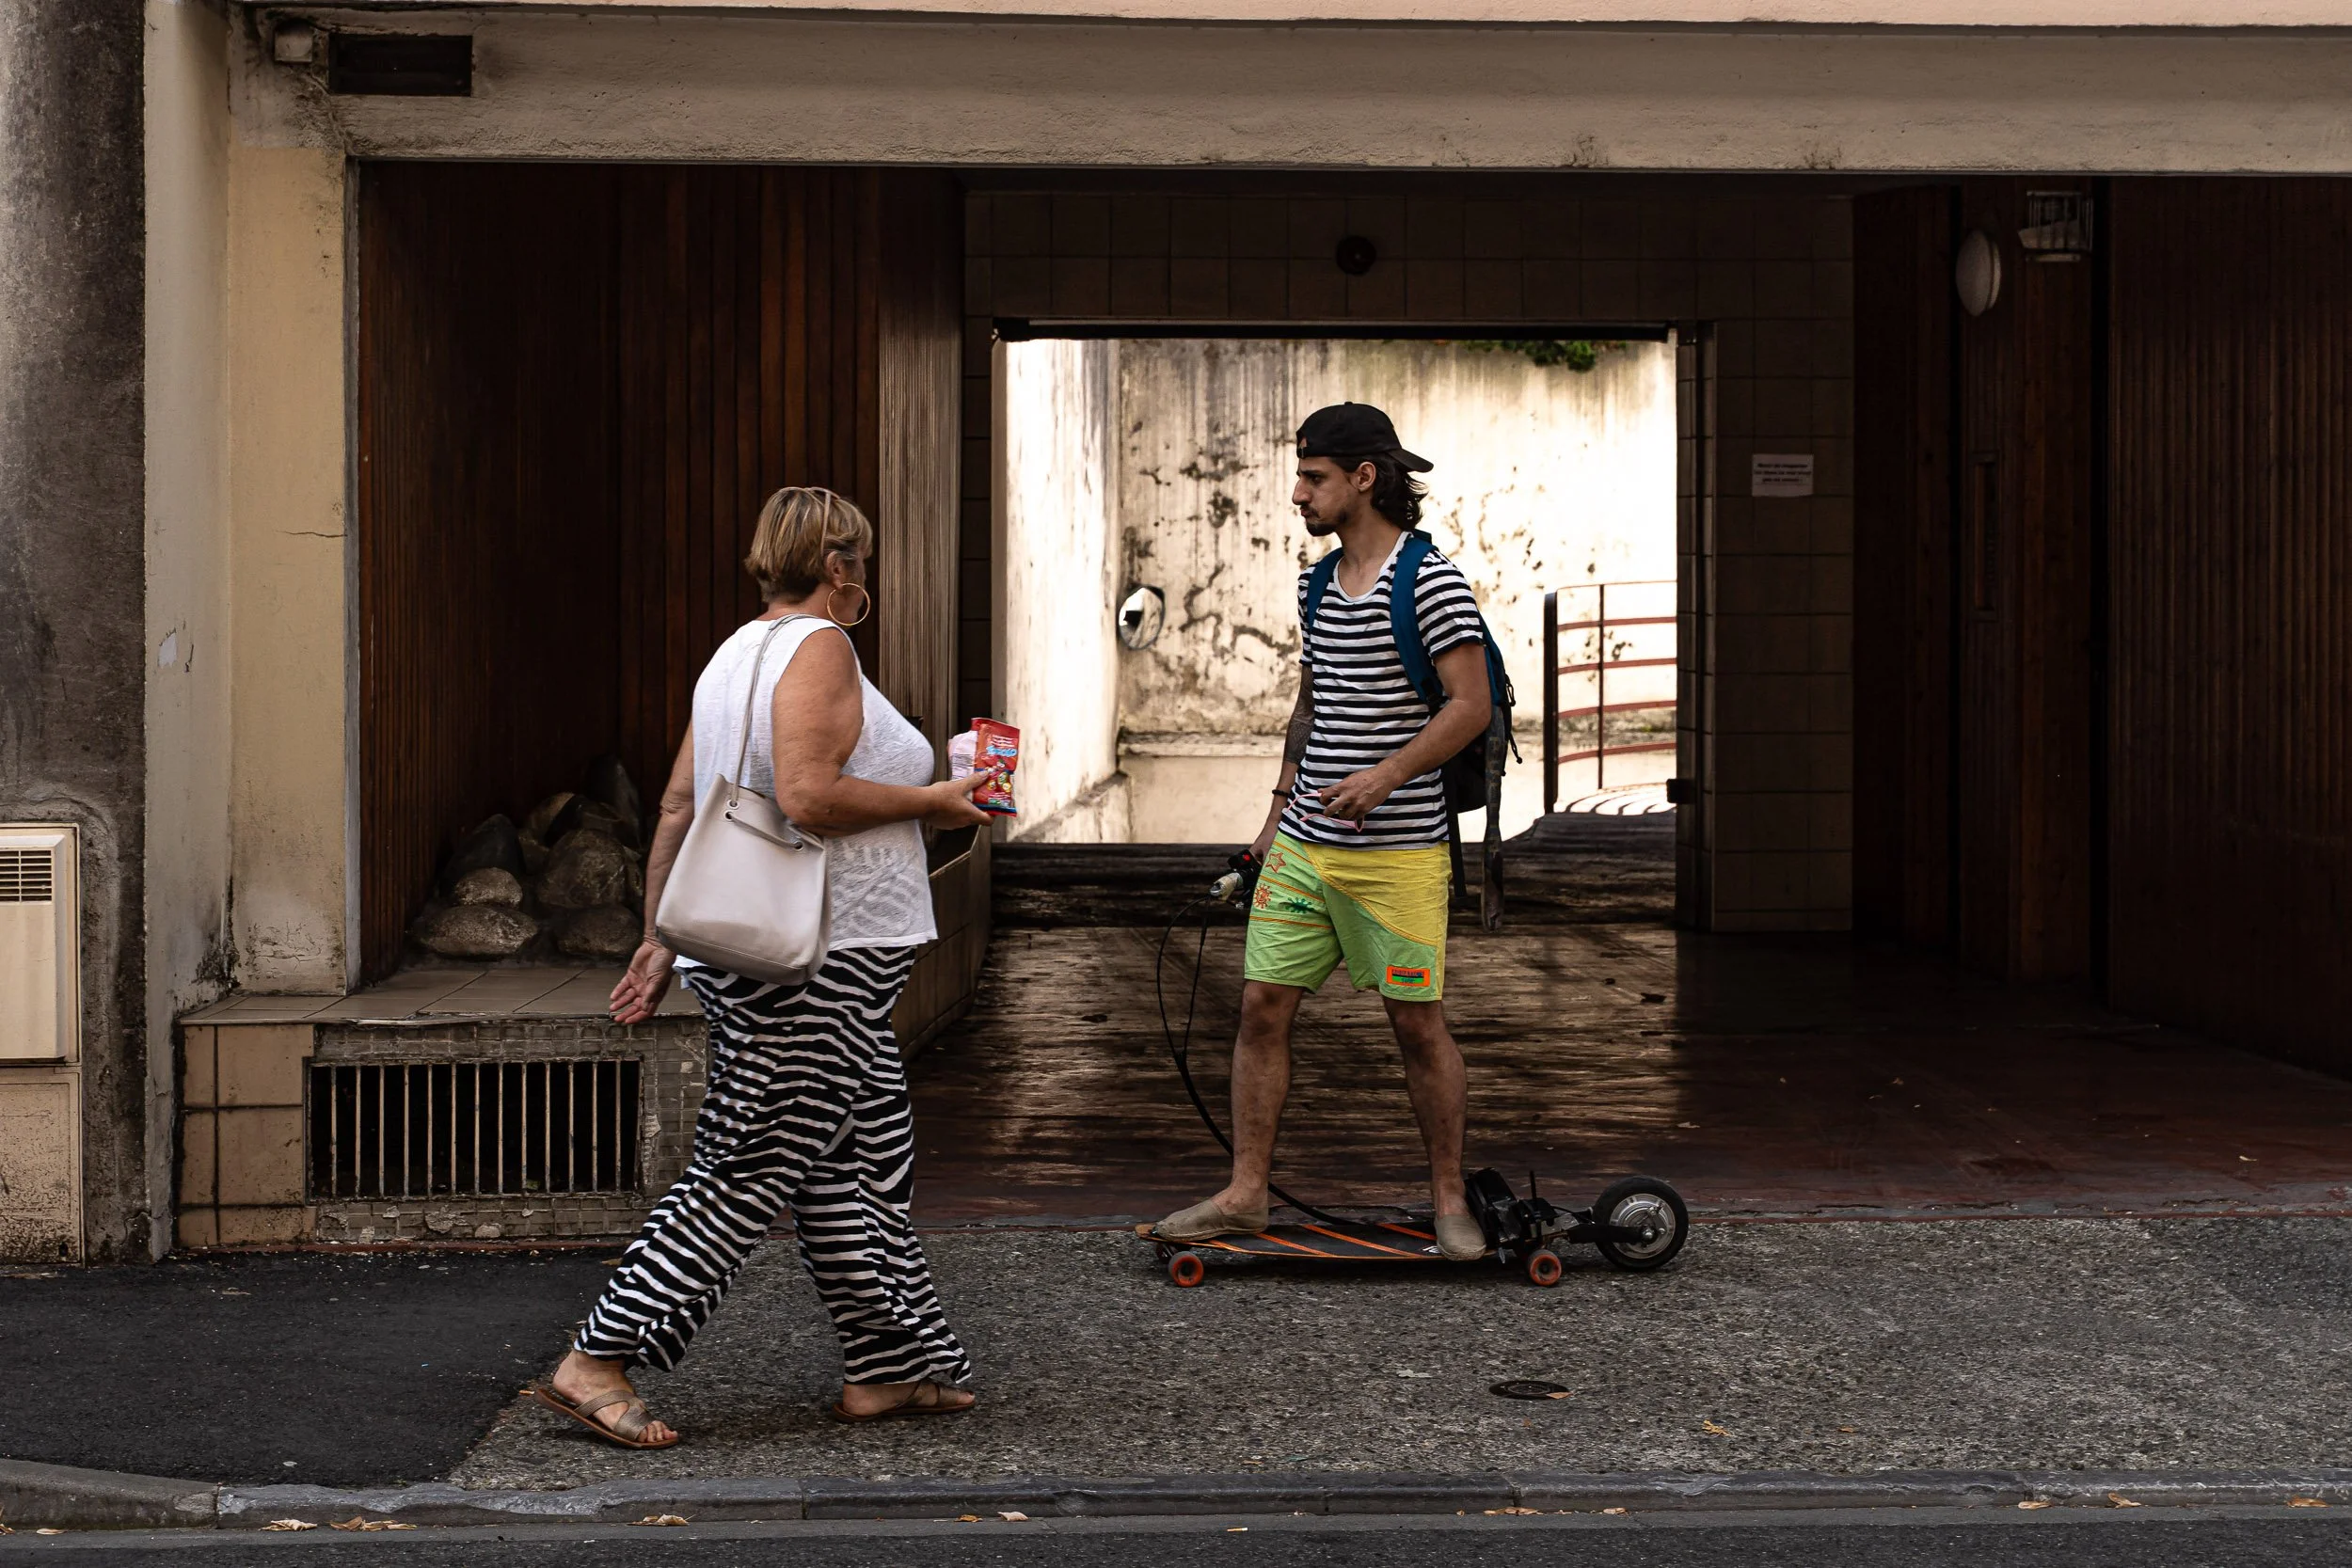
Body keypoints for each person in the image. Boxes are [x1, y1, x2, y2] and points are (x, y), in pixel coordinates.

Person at [527, 487, 996, 1449]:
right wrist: (934, 799)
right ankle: (598, 1357)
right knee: (749, 1159)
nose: (865, 571)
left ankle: (892, 1366)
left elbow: (676, 804)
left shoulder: (734, 653)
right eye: (859, 555)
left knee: (861, 1160)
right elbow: (809, 794)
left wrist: (660, 935)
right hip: (819, 954)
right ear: (837, 565)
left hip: (763, 949)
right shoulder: (822, 646)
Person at [1155, 404, 1493, 1261]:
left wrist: (1385, 776)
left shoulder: (1430, 580)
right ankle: (1246, 1194)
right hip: (1307, 847)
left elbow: (1470, 705)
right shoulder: (1315, 584)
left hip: (1401, 856)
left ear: (1363, 478)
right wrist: (1275, 819)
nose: (1297, 494)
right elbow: (1313, 706)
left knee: (1417, 1024)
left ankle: (1450, 1198)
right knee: (1261, 1009)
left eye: (1314, 478)